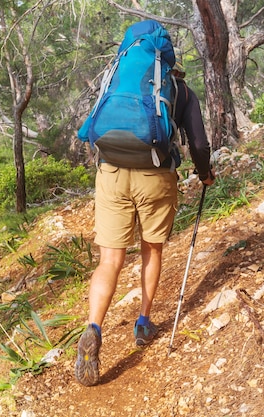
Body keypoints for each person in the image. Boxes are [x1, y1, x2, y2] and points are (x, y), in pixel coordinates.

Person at [74, 48, 216, 387]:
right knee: (152, 248)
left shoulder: (115, 76)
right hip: (155, 175)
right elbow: (197, 142)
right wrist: (205, 173)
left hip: (111, 173)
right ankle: (143, 321)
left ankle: (93, 327)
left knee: (109, 260)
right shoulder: (179, 90)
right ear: (170, 60)